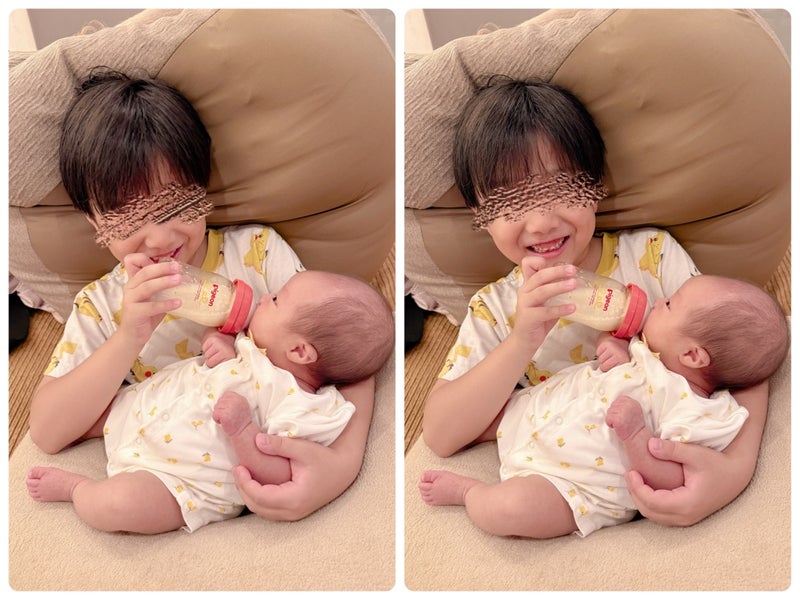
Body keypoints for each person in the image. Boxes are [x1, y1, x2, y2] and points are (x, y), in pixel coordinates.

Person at [28, 67, 378, 521]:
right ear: (95, 223)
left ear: (202, 187)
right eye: (128, 221)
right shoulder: (102, 304)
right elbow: (47, 431)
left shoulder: (257, 254)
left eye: (175, 206)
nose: (159, 239)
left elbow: (343, 347)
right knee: (119, 506)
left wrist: (342, 464)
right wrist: (129, 336)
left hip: (248, 455)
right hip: (165, 464)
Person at [421, 76, 773, 527]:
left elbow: (740, 349)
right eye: (510, 202)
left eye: (561, 190)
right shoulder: (495, 307)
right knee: (511, 510)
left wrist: (736, 468)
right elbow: (441, 434)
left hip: (647, 458)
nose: (541, 222)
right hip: (561, 470)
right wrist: (522, 339)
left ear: (596, 184)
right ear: (480, 214)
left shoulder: (652, 257)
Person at [420, 274, 788, 537]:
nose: (657, 302)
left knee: (509, 510)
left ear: (692, 355)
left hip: (570, 485)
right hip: (538, 410)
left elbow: (676, 479)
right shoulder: (653, 349)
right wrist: (611, 346)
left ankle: (469, 493)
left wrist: (636, 435)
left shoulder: (700, 413)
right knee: (494, 410)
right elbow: (614, 338)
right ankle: (497, 432)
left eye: (669, 304)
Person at [27, 270, 394, 533]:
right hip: (144, 406)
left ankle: (77, 489)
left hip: (177, 481)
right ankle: (101, 429)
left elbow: (283, 474)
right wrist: (218, 342)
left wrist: (243, 430)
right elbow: (219, 330)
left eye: (275, 300)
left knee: (118, 505)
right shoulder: (259, 344)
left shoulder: (306, 408)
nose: (264, 297)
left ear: (299, 351)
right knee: (101, 407)